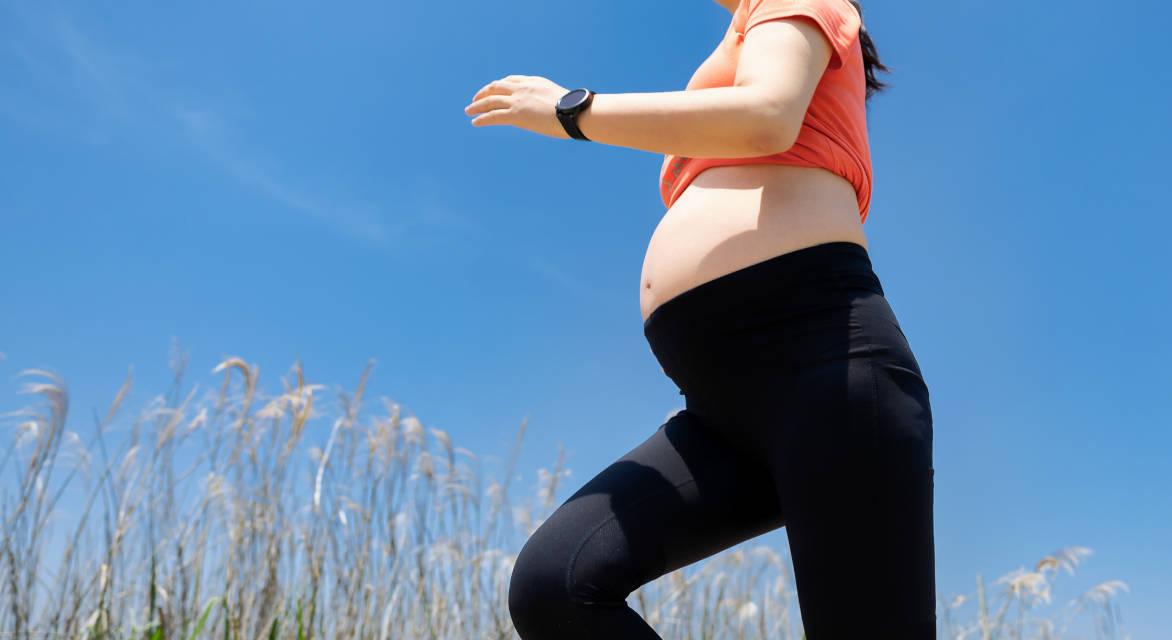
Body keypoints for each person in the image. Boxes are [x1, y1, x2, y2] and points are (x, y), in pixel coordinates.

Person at [463, 0, 935, 636]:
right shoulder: (738, 33)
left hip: (824, 363)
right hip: (720, 413)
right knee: (558, 585)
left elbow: (766, 117)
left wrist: (570, 110)